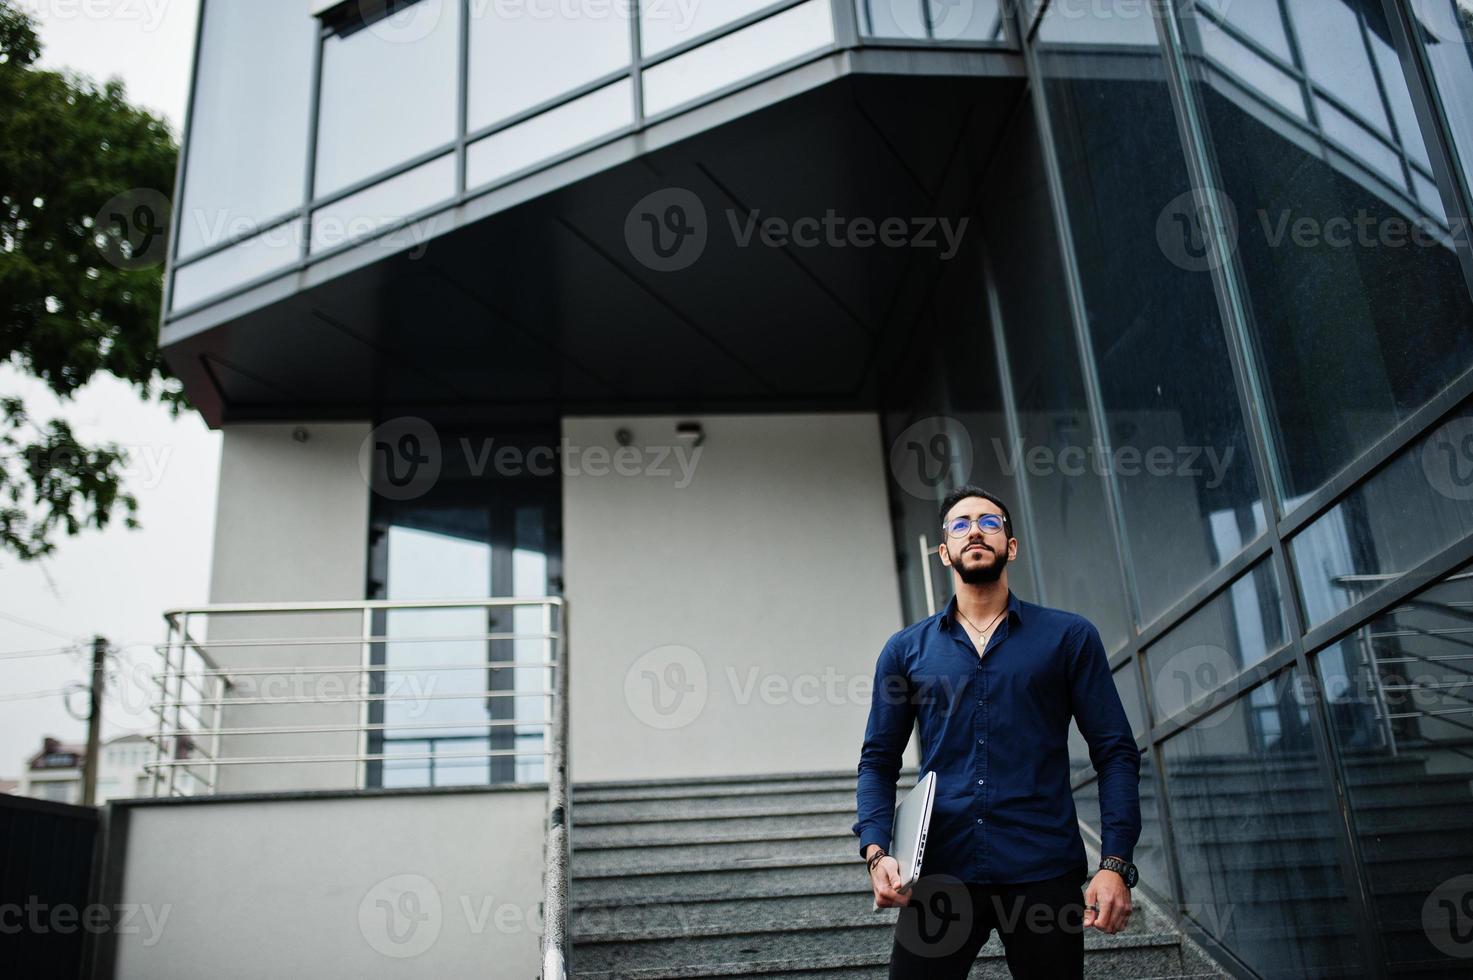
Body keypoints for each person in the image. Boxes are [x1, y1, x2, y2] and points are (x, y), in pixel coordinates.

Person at [853, 485, 1141, 979]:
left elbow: (1115, 753)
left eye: (990, 523)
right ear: (944, 552)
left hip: (1043, 869)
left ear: (1011, 545)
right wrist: (876, 850)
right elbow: (878, 761)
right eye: (960, 524)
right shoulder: (906, 650)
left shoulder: (1069, 638)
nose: (975, 532)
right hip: (942, 872)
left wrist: (1114, 863)